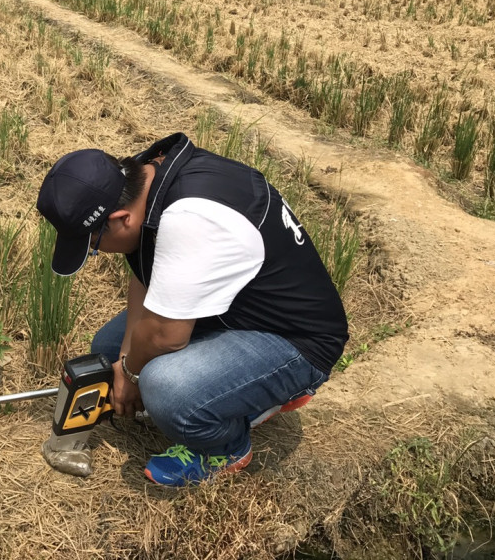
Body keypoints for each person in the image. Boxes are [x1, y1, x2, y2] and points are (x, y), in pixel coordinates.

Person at [36, 132, 349, 486]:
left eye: (93, 245)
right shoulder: (142, 180)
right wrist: (124, 360)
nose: (98, 253)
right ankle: (232, 390)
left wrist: (133, 374)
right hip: (236, 308)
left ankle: (229, 445)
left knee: (165, 388)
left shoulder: (189, 219)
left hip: (295, 339)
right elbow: (144, 273)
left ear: (121, 219)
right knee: (107, 349)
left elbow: (166, 336)